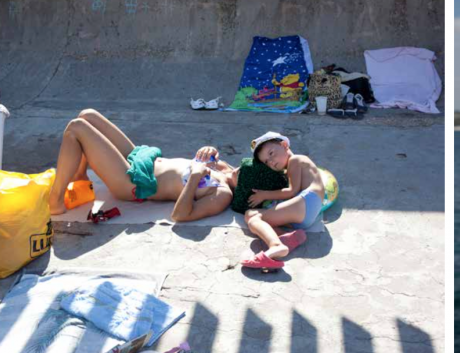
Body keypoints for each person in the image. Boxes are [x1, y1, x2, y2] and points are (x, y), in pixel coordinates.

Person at [47, 109, 237, 222]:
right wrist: (207, 149)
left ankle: (55, 202)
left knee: (76, 127)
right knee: (87, 115)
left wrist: (195, 178)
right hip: (142, 160)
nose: (245, 166)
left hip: (133, 182)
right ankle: (79, 177)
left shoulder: (222, 194)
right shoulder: (226, 168)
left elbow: (180, 215)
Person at [242, 132, 327, 265]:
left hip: (307, 201)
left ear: (284, 145)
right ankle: (286, 238)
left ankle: (276, 246)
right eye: (266, 161)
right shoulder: (291, 167)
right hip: (304, 212)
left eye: (271, 154)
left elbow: (291, 192)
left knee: (254, 221)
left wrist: (264, 194)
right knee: (249, 214)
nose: (270, 161)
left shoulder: (296, 159)